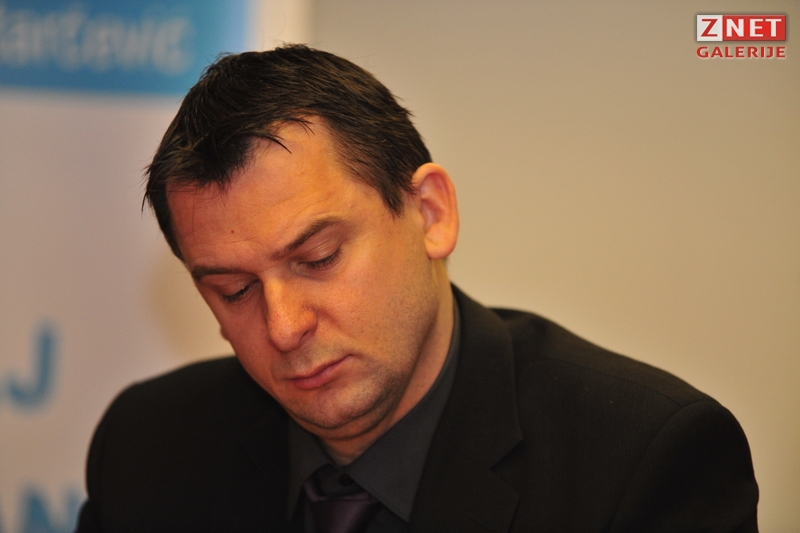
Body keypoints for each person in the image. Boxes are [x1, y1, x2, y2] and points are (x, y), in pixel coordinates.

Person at [75, 45, 759, 533]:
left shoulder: (642, 461)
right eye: (234, 290)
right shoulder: (147, 449)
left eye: (318, 258)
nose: (284, 327)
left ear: (430, 214)